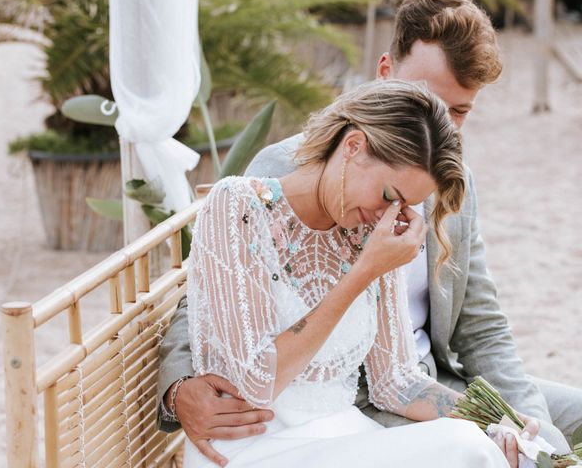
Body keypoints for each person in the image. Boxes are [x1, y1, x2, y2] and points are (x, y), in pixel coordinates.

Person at [157, 0, 582, 467]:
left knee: (535, 438)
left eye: (457, 112)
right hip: (291, 426)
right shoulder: (265, 186)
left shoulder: (426, 182)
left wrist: (499, 417)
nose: (437, 124)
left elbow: (440, 350)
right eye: (425, 101)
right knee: (474, 450)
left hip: (410, 387)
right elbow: (210, 306)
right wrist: (177, 391)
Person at [182, 79, 516, 467]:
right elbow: (257, 383)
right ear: (353, 146)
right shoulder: (237, 206)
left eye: (407, 206)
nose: (387, 214)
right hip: (253, 447)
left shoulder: (370, 235)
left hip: (343, 436)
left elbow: (395, 382)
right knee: (464, 447)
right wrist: (362, 273)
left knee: (488, 444)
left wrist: (497, 419)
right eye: (390, 196)